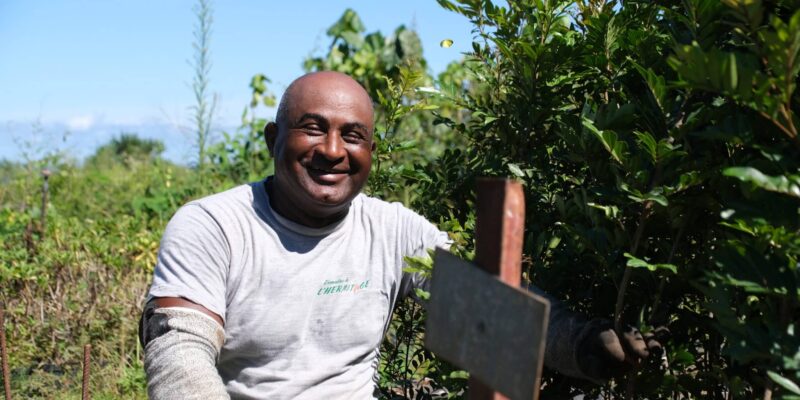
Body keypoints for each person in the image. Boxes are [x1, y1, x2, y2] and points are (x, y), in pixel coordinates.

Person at [140, 71, 660, 400]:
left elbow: (491, 308)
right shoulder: (214, 225)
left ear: (370, 153)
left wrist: (584, 343)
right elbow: (180, 353)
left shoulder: (391, 230)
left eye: (353, 136)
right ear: (274, 139)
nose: (333, 150)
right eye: (313, 128)